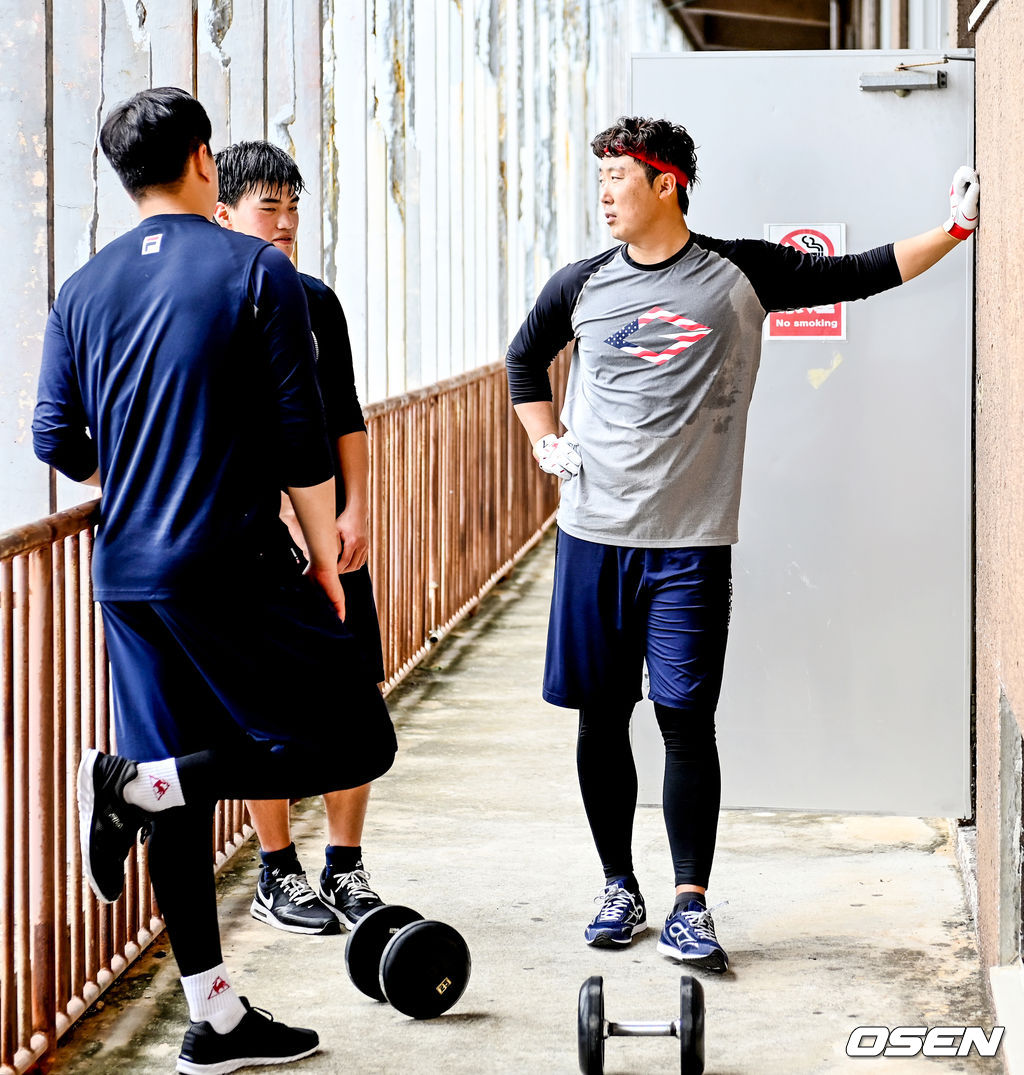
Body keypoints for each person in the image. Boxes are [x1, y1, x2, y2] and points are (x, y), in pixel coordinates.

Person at [505, 115, 979, 973]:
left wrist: (953, 230)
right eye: (599, 178)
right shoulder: (579, 285)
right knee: (602, 718)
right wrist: (547, 440)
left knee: (685, 720)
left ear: (666, 184)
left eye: (618, 176)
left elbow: (857, 272)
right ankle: (618, 886)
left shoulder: (738, 273)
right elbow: (523, 360)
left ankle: (690, 903)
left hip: (690, 545)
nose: (603, 194)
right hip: (592, 538)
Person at [32, 87, 397, 1073]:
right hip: (230, 560)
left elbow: (56, 436)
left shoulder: (83, 287)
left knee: (181, 795)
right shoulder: (253, 270)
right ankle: (133, 784)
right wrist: (322, 554)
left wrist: (135, 474)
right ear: (204, 161)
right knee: (353, 736)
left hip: (127, 572)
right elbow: (300, 439)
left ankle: (215, 1017)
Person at [213, 140, 387, 937]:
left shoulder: (317, 301)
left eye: (293, 207)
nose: (284, 223)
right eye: (268, 207)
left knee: (357, 689)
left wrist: (355, 509)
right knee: (262, 708)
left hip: (331, 536)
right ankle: (277, 868)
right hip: (255, 540)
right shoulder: (211, 301)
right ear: (224, 214)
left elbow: (345, 414)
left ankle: (345, 864)